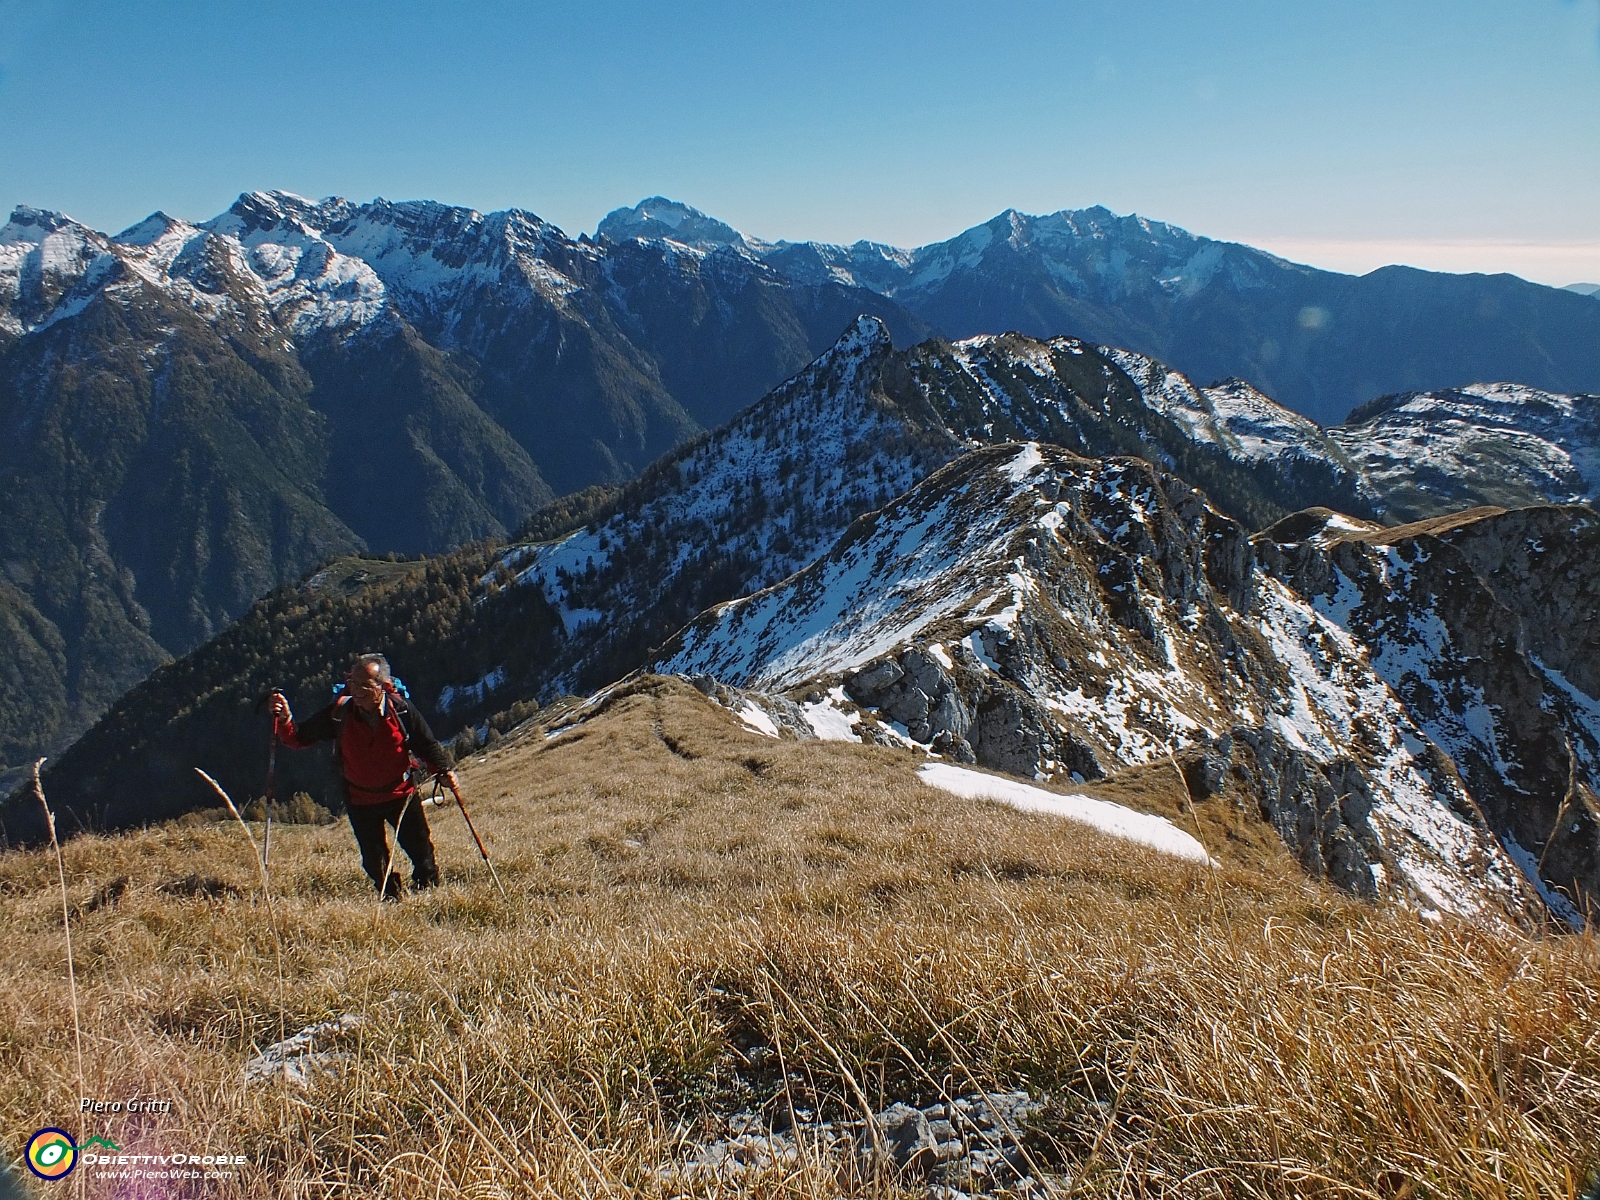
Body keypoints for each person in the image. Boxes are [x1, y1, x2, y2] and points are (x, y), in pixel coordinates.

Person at [269, 652, 458, 899]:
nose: (354, 691)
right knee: (374, 861)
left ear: (382, 686)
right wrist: (285, 719)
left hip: (401, 794)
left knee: (421, 850)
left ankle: (429, 890)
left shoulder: (401, 711)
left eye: (363, 686)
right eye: (352, 683)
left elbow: (427, 744)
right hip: (360, 800)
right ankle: (391, 897)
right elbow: (300, 737)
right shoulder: (340, 713)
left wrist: (444, 772)